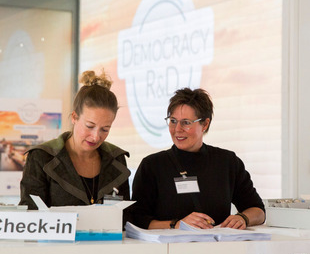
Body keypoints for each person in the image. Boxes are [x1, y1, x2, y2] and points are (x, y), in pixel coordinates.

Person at [130, 88, 265, 230]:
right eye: (173, 121)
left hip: (218, 248)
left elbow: (258, 210)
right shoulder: (152, 165)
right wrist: (177, 225)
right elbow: (137, 220)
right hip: (169, 250)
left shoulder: (227, 162)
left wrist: (242, 218)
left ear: (205, 124)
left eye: (186, 122)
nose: (177, 129)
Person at [19, 69, 130, 209]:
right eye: (90, 126)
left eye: (105, 129)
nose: (96, 136)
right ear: (74, 117)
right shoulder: (42, 157)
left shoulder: (117, 159)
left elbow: (126, 216)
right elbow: (30, 216)